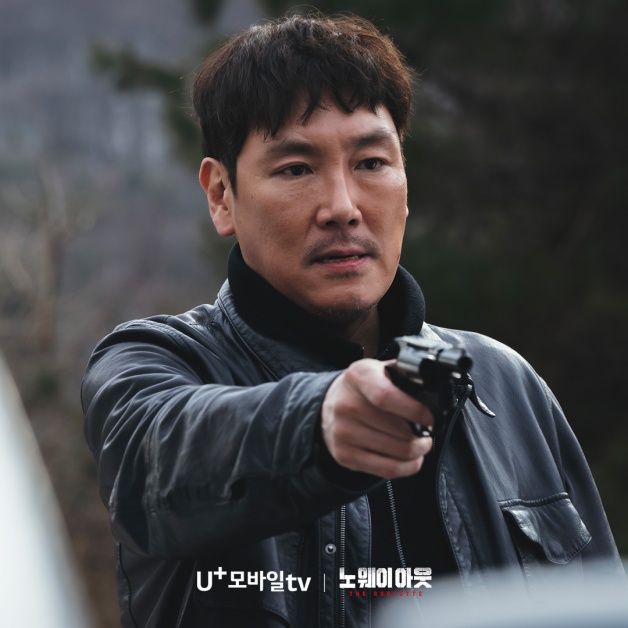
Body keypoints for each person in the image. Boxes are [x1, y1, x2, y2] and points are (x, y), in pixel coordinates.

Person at [82, 13, 623, 628]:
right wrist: (319, 425)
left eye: (371, 162)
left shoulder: (505, 385)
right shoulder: (153, 362)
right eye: (296, 169)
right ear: (221, 196)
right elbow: (156, 469)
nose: (342, 207)